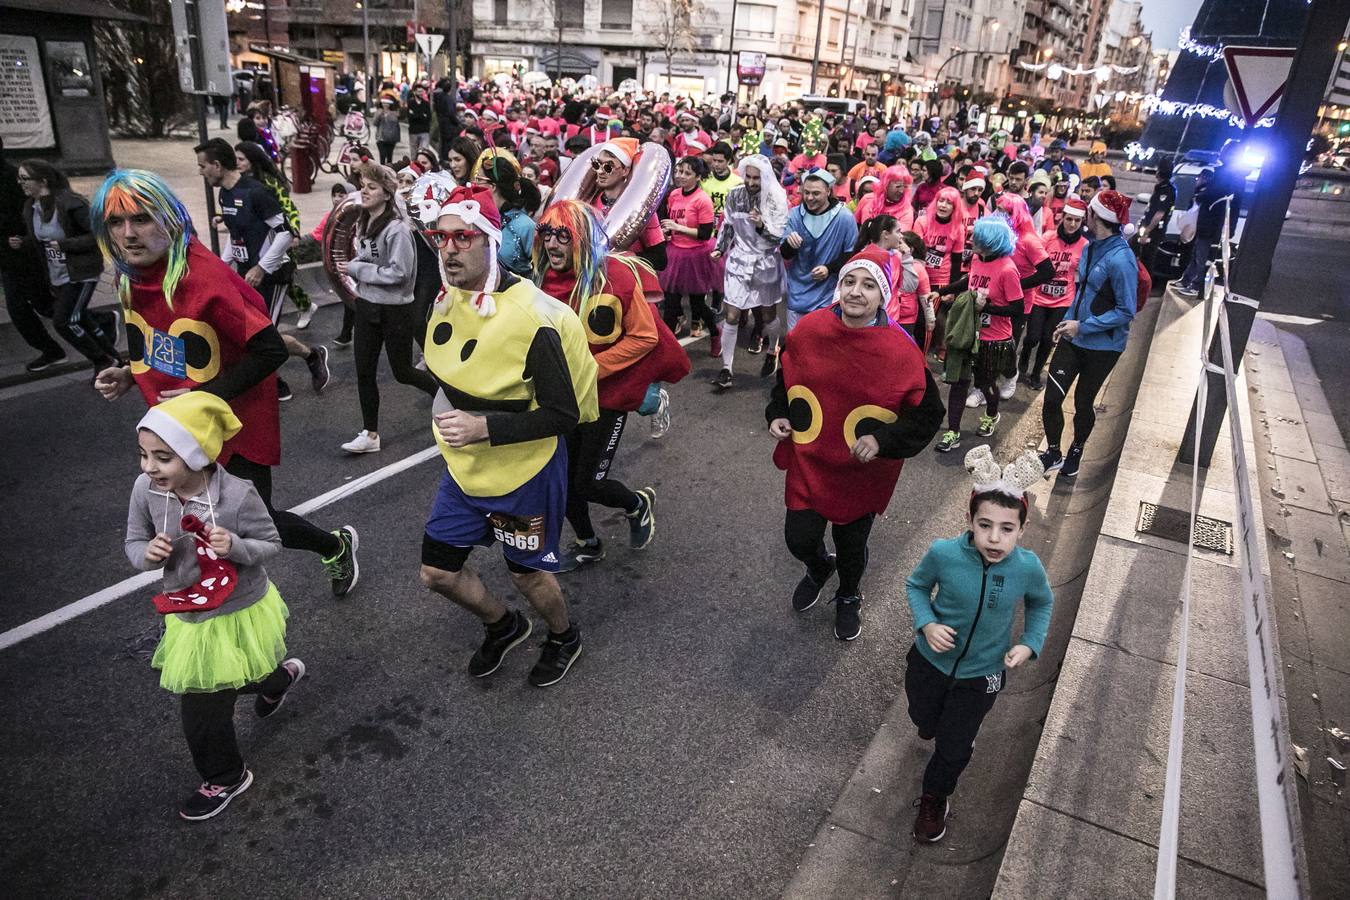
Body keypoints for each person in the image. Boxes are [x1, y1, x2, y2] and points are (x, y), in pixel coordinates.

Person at [91, 169, 360, 596]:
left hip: (236, 419)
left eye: (141, 219)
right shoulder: (130, 277)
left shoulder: (203, 276)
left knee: (253, 520)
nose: (128, 233)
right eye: (116, 222)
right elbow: (161, 336)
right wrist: (129, 371)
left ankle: (334, 546)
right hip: (180, 425)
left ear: (170, 219)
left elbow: (271, 350)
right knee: (203, 518)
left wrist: (203, 396)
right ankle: (215, 608)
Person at [418, 185, 598, 687]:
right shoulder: (446, 295)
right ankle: (504, 625)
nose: (449, 249)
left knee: (526, 574)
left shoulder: (532, 317)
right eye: (441, 238)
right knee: (438, 573)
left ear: (490, 241)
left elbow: (564, 415)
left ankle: (564, 635)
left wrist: (484, 427)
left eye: (462, 238)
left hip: (525, 475)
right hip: (464, 470)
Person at [126, 392, 306, 821]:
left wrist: (237, 544)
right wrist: (147, 554)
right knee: (237, 674)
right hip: (189, 612)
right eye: (143, 455)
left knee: (203, 706)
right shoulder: (146, 489)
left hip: (240, 607)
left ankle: (226, 776)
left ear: (197, 454)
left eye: (163, 457)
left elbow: (272, 544)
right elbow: (133, 540)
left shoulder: (238, 495)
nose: (149, 467)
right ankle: (277, 679)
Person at [767, 246, 944, 641]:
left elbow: (928, 415)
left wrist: (883, 439)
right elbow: (787, 379)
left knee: (851, 547)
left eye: (868, 285)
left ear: (884, 296)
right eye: (849, 281)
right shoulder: (810, 329)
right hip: (810, 461)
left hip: (861, 472)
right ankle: (817, 567)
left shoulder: (902, 350)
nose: (856, 292)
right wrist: (777, 413)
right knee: (799, 538)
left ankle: (849, 595)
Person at [906, 448, 1053, 843]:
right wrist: (928, 622)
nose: (994, 537)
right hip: (927, 663)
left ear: (1022, 529)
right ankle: (930, 723)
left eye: (1007, 528)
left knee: (953, 748)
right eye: (984, 524)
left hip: (982, 675)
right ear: (969, 520)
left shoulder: (1027, 568)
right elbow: (916, 586)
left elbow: (1042, 602)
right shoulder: (943, 553)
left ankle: (935, 796)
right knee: (923, 717)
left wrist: (1029, 643)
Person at [534, 200, 690, 569]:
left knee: (588, 482)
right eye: (547, 234)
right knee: (562, 480)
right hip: (565, 401)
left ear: (583, 239)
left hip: (607, 399)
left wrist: (592, 369)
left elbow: (645, 336)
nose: (553, 245)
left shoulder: (616, 276)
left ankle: (637, 504)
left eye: (563, 236)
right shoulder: (539, 284)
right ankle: (588, 541)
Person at [195, 139, 327, 402]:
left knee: (264, 334)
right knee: (251, 332)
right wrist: (221, 268)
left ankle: (303, 362)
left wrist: (261, 267)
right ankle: (300, 363)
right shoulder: (226, 194)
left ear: (218, 165)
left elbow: (284, 234)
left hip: (273, 275)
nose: (201, 172)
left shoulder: (256, 192)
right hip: (246, 274)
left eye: (203, 166)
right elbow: (236, 236)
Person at [337, 163, 438, 454]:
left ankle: (441, 393)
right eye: (362, 185)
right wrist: (362, 271)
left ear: (386, 193)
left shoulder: (398, 230)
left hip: (395, 310)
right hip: (367, 307)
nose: (364, 191)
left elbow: (400, 274)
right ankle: (370, 434)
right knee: (364, 372)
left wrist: (358, 269)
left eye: (371, 187)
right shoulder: (363, 223)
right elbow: (371, 260)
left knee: (403, 371)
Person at [1039, 190, 1137, 479]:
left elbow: (1126, 310)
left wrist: (1083, 326)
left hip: (1104, 348)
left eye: (1089, 213)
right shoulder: (1092, 246)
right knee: (1052, 400)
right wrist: (1067, 323)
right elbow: (1082, 293)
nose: (1085, 217)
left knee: (1083, 403)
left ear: (1097, 217)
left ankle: (1077, 448)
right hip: (1073, 338)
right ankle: (1054, 452)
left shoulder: (1122, 260)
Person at [11, 159, 122, 376]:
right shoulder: (30, 207)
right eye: (19, 178)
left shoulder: (72, 203)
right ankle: (115, 360)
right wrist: (24, 242)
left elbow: (98, 234)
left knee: (63, 321)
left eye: (24, 179)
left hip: (81, 272)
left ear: (42, 181)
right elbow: (42, 239)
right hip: (57, 273)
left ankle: (102, 360)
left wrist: (65, 244)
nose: (20, 183)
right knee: (80, 318)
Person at [936, 214, 1023, 452]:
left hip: (993, 339)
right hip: (968, 334)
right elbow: (968, 281)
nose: (971, 239)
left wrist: (988, 307)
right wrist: (941, 290)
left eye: (976, 236)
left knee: (986, 384)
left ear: (990, 240)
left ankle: (992, 414)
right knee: (959, 383)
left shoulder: (1007, 270)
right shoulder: (977, 259)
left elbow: (1018, 308)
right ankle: (952, 432)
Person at [711, 154, 787, 386]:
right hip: (739, 261)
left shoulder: (776, 199)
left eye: (757, 178)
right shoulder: (734, 195)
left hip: (765, 262)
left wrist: (762, 225)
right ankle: (726, 369)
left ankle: (772, 349)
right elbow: (728, 225)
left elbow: (778, 238)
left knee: (767, 316)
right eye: (748, 177)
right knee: (731, 315)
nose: (752, 182)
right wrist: (719, 248)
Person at [235, 141, 322, 335]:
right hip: (259, 239)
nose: (237, 163)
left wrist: (294, 233)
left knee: (284, 279)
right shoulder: (241, 183)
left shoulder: (268, 182)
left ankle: (303, 307)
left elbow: (289, 208)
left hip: (279, 237)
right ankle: (302, 308)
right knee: (279, 281)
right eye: (235, 159)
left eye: (241, 159)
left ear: (252, 160)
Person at [0, 142, 66, 372]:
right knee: (32, 307)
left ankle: (100, 325)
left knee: (40, 305)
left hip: (23, 254)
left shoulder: (11, 178)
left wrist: (23, 239)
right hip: (8, 256)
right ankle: (52, 350)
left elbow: (30, 214)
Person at [1019, 196, 1088, 389]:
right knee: (1033, 337)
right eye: (1069, 219)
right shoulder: (1048, 238)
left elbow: (1083, 273)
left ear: (1082, 222)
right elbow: (1033, 261)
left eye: (1077, 220)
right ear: (1062, 218)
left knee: (1048, 340)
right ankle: (1024, 355)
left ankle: (1035, 374)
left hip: (1063, 300)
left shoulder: (1084, 245)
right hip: (1039, 297)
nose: (1072, 224)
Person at [780, 170, 858, 341]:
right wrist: (789, 245)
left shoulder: (844, 217)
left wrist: (829, 268)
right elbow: (785, 254)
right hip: (797, 291)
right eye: (806, 192)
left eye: (816, 193)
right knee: (795, 342)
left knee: (820, 344)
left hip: (827, 294)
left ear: (828, 191)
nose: (809, 198)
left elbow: (851, 254)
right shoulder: (795, 214)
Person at [659, 155, 720, 347]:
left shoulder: (702, 200)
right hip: (675, 252)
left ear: (698, 176)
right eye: (679, 171)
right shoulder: (674, 194)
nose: (681, 176)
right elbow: (672, 221)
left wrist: (678, 228)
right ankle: (667, 349)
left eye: (687, 173)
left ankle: (715, 334)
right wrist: (668, 232)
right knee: (670, 303)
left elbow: (704, 233)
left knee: (698, 305)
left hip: (696, 255)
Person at [585, 138, 668, 272]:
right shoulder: (589, 201)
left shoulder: (638, 208)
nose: (600, 171)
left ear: (625, 170)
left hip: (629, 284)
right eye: (597, 165)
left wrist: (618, 259)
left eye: (608, 167)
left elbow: (660, 259)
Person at [1136, 159, 1175, 275]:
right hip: (1149, 228)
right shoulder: (1160, 187)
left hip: (1154, 231)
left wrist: (1147, 231)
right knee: (1139, 257)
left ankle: (1144, 287)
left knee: (1147, 260)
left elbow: (1159, 214)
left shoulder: (1167, 190)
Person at [854, 164, 915, 230]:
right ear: (886, 184)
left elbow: (901, 237)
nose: (901, 191)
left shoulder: (907, 210)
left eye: (905, 187)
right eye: (898, 186)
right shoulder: (867, 199)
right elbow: (854, 225)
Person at [372, 97, 401, 166]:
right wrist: (380, 114)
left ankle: (389, 172)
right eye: (384, 103)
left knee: (389, 156)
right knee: (382, 155)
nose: (385, 104)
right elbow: (375, 123)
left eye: (387, 103)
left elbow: (396, 124)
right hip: (381, 138)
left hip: (391, 138)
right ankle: (382, 171)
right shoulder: (379, 111)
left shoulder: (394, 113)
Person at [407, 84, 432, 157]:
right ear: (414, 92)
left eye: (422, 92)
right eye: (419, 92)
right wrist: (422, 115)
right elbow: (410, 118)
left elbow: (428, 118)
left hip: (424, 131)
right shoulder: (411, 103)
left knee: (424, 152)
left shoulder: (426, 104)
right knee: (414, 153)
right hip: (413, 131)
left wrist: (416, 115)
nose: (421, 93)